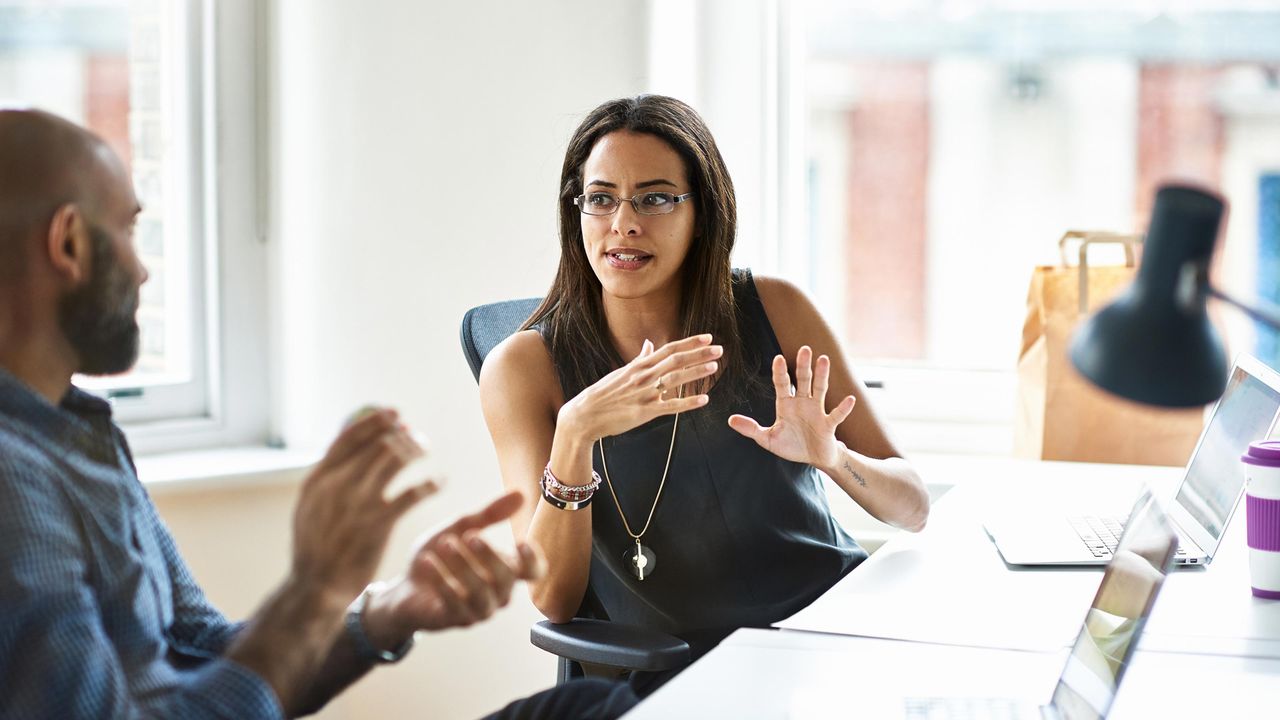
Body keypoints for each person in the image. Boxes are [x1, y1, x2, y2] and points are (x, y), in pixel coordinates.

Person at [0, 109, 636, 719]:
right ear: (69, 243)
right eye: (129, 230)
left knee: (597, 707)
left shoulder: (82, 432)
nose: (141, 271)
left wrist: (389, 610)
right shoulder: (13, 479)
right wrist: (316, 585)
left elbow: (210, 657)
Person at [478, 94, 931, 694]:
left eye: (657, 197)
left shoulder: (777, 308)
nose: (624, 223)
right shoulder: (523, 368)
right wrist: (576, 433)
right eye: (601, 198)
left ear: (704, 212)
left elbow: (914, 508)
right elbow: (553, 600)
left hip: (831, 641)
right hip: (684, 678)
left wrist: (835, 460)